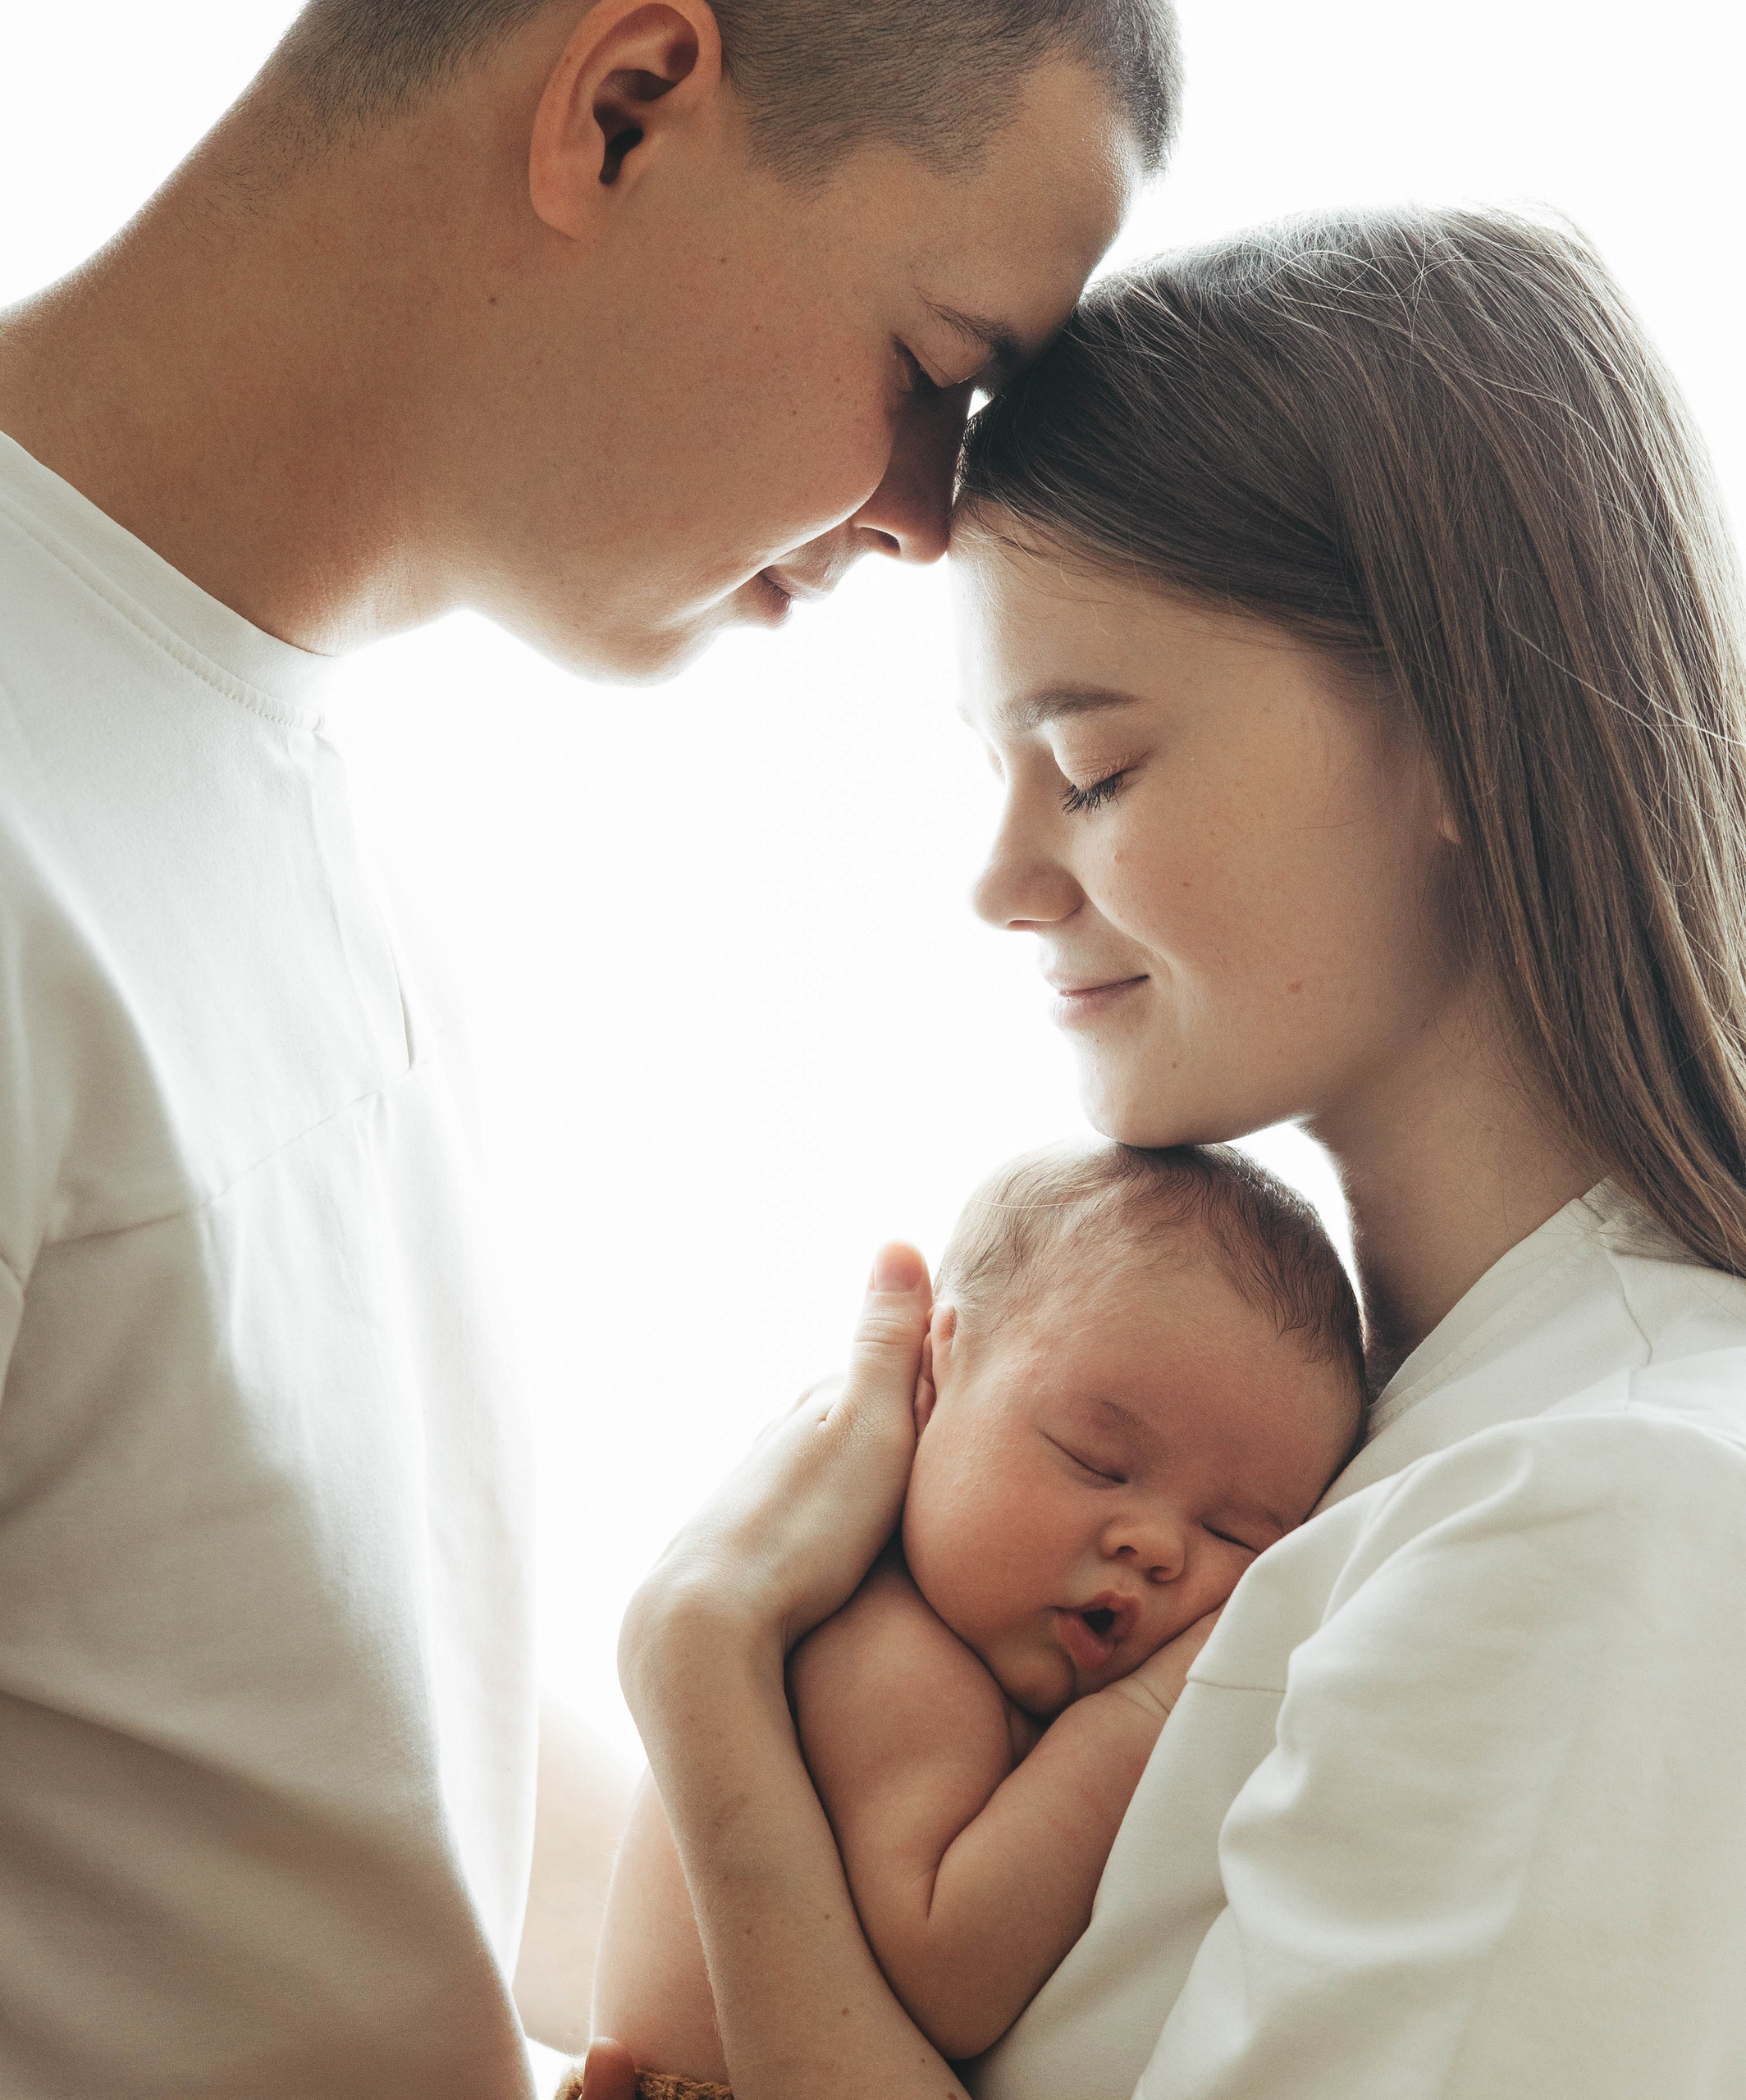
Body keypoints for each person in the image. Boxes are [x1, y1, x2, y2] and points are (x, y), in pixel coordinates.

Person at [606, 208, 1746, 2100]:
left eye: (1097, 765)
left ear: (1459, 728)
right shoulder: (1418, 1437)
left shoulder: (1627, 1518)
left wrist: (707, 1693)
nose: (1000, 877)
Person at [0, 1, 1177, 2093]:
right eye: (935, 373)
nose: (928, 515)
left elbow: (280, 1744)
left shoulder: (251, 784)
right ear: (622, 107)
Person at [585, 1142, 1366, 2091]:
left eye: (1235, 1533)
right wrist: (1142, 1717)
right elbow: (950, 1967)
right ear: (938, 1365)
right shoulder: (883, 1650)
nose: (1156, 1545)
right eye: (1096, 1459)